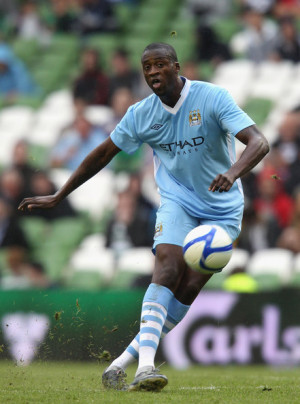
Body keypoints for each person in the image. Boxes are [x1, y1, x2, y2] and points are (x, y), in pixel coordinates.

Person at [18, 42, 269, 392]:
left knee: (188, 287)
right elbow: (103, 153)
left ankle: (122, 361)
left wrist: (233, 172)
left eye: (160, 65)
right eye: (147, 67)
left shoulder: (213, 98)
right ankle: (146, 367)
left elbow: (259, 142)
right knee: (167, 266)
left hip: (222, 210)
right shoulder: (141, 115)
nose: (152, 72)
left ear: (176, 67)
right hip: (177, 201)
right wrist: (60, 194)